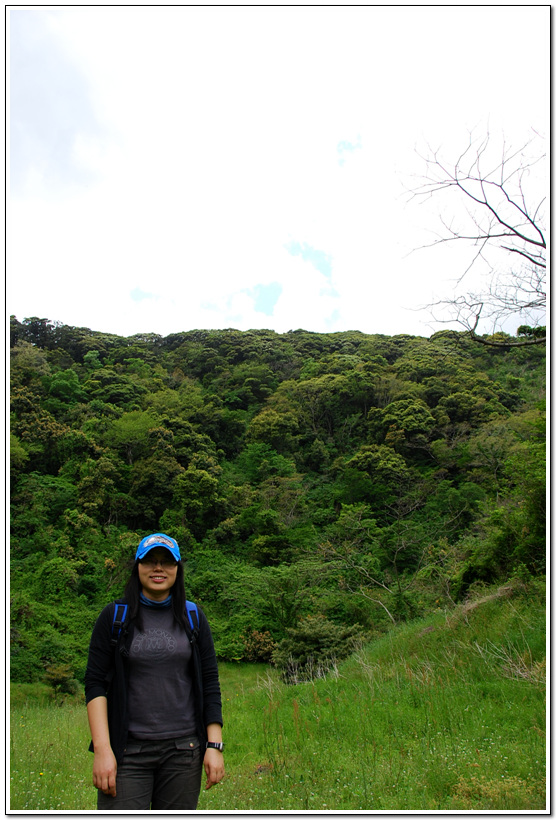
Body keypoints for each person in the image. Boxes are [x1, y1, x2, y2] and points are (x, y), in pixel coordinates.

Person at [85, 533, 225, 810]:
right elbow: (95, 684)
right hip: (127, 752)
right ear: (137, 567)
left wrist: (214, 746)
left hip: (183, 752)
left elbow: (210, 682)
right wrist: (102, 749)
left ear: (177, 569)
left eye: (166, 562)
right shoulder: (114, 617)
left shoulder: (193, 617)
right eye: (150, 561)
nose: (158, 568)